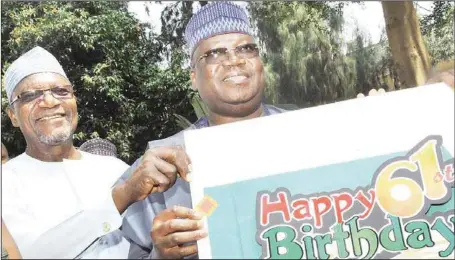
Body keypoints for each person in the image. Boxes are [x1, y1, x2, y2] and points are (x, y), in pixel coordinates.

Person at [117, 2, 285, 259]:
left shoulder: (318, 132)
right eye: (215, 53)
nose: (234, 60)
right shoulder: (161, 166)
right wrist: (160, 256)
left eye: (246, 48)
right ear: (194, 76)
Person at [1, 46, 189, 258]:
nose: (51, 102)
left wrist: (162, 251)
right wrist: (122, 196)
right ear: (13, 116)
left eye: (61, 91)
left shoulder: (114, 168)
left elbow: (142, 246)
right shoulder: (7, 181)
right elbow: (29, 253)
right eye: (29, 96)